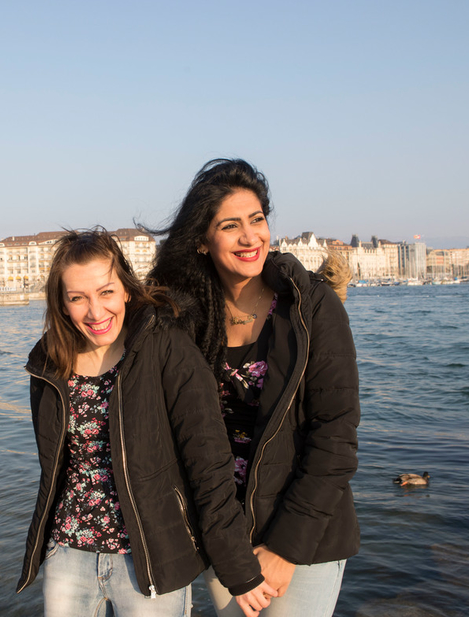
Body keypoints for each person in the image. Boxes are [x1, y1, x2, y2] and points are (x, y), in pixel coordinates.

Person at [16, 229, 278, 617]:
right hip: (67, 551)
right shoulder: (49, 363)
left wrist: (238, 568)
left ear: (125, 288)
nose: (95, 311)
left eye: (106, 292)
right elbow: (55, 467)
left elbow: (208, 462)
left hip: (151, 557)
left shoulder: (165, 348)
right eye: (77, 298)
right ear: (62, 304)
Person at [147, 159, 360, 617]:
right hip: (222, 534)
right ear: (203, 242)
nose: (250, 237)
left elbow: (335, 437)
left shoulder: (311, 306)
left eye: (257, 220)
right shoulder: (184, 321)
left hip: (303, 533)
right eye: (230, 225)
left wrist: (284, 550)